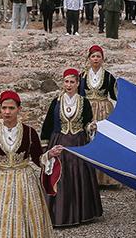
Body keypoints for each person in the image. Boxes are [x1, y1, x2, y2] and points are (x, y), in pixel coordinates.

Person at [0, 90, 59, 237]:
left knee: (25, 216)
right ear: (0, 109)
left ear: (19, 109)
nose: (7, 112)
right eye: (4, 108)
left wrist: (49, 155)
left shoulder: (29, 132)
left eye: (11, 108)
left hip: (24, 182)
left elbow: (37, 158)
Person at [40, 68, 102, 227]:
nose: (68, 85)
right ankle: (58, 214)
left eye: (72, 82)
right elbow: (48, 125)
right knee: (59, 176)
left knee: (79, 175)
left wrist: (91, 128)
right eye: (66, 81)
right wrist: (46, 147)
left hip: (78, 142)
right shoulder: (56, 102)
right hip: (59, 141)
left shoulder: (84, 102)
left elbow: (87, 122)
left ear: (77, 83)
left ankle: (81, 212)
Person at [79, 45, 117, 187]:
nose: (95, 59)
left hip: (104, 111)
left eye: (98, 56)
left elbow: (115, 96)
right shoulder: (81, 76)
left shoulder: (108, 76)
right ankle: (88, 177)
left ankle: (105, 179)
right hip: (87, 109)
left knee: (103, 140)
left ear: (102, 59)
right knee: (86, 140)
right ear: (89, 58)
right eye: (93, 56)